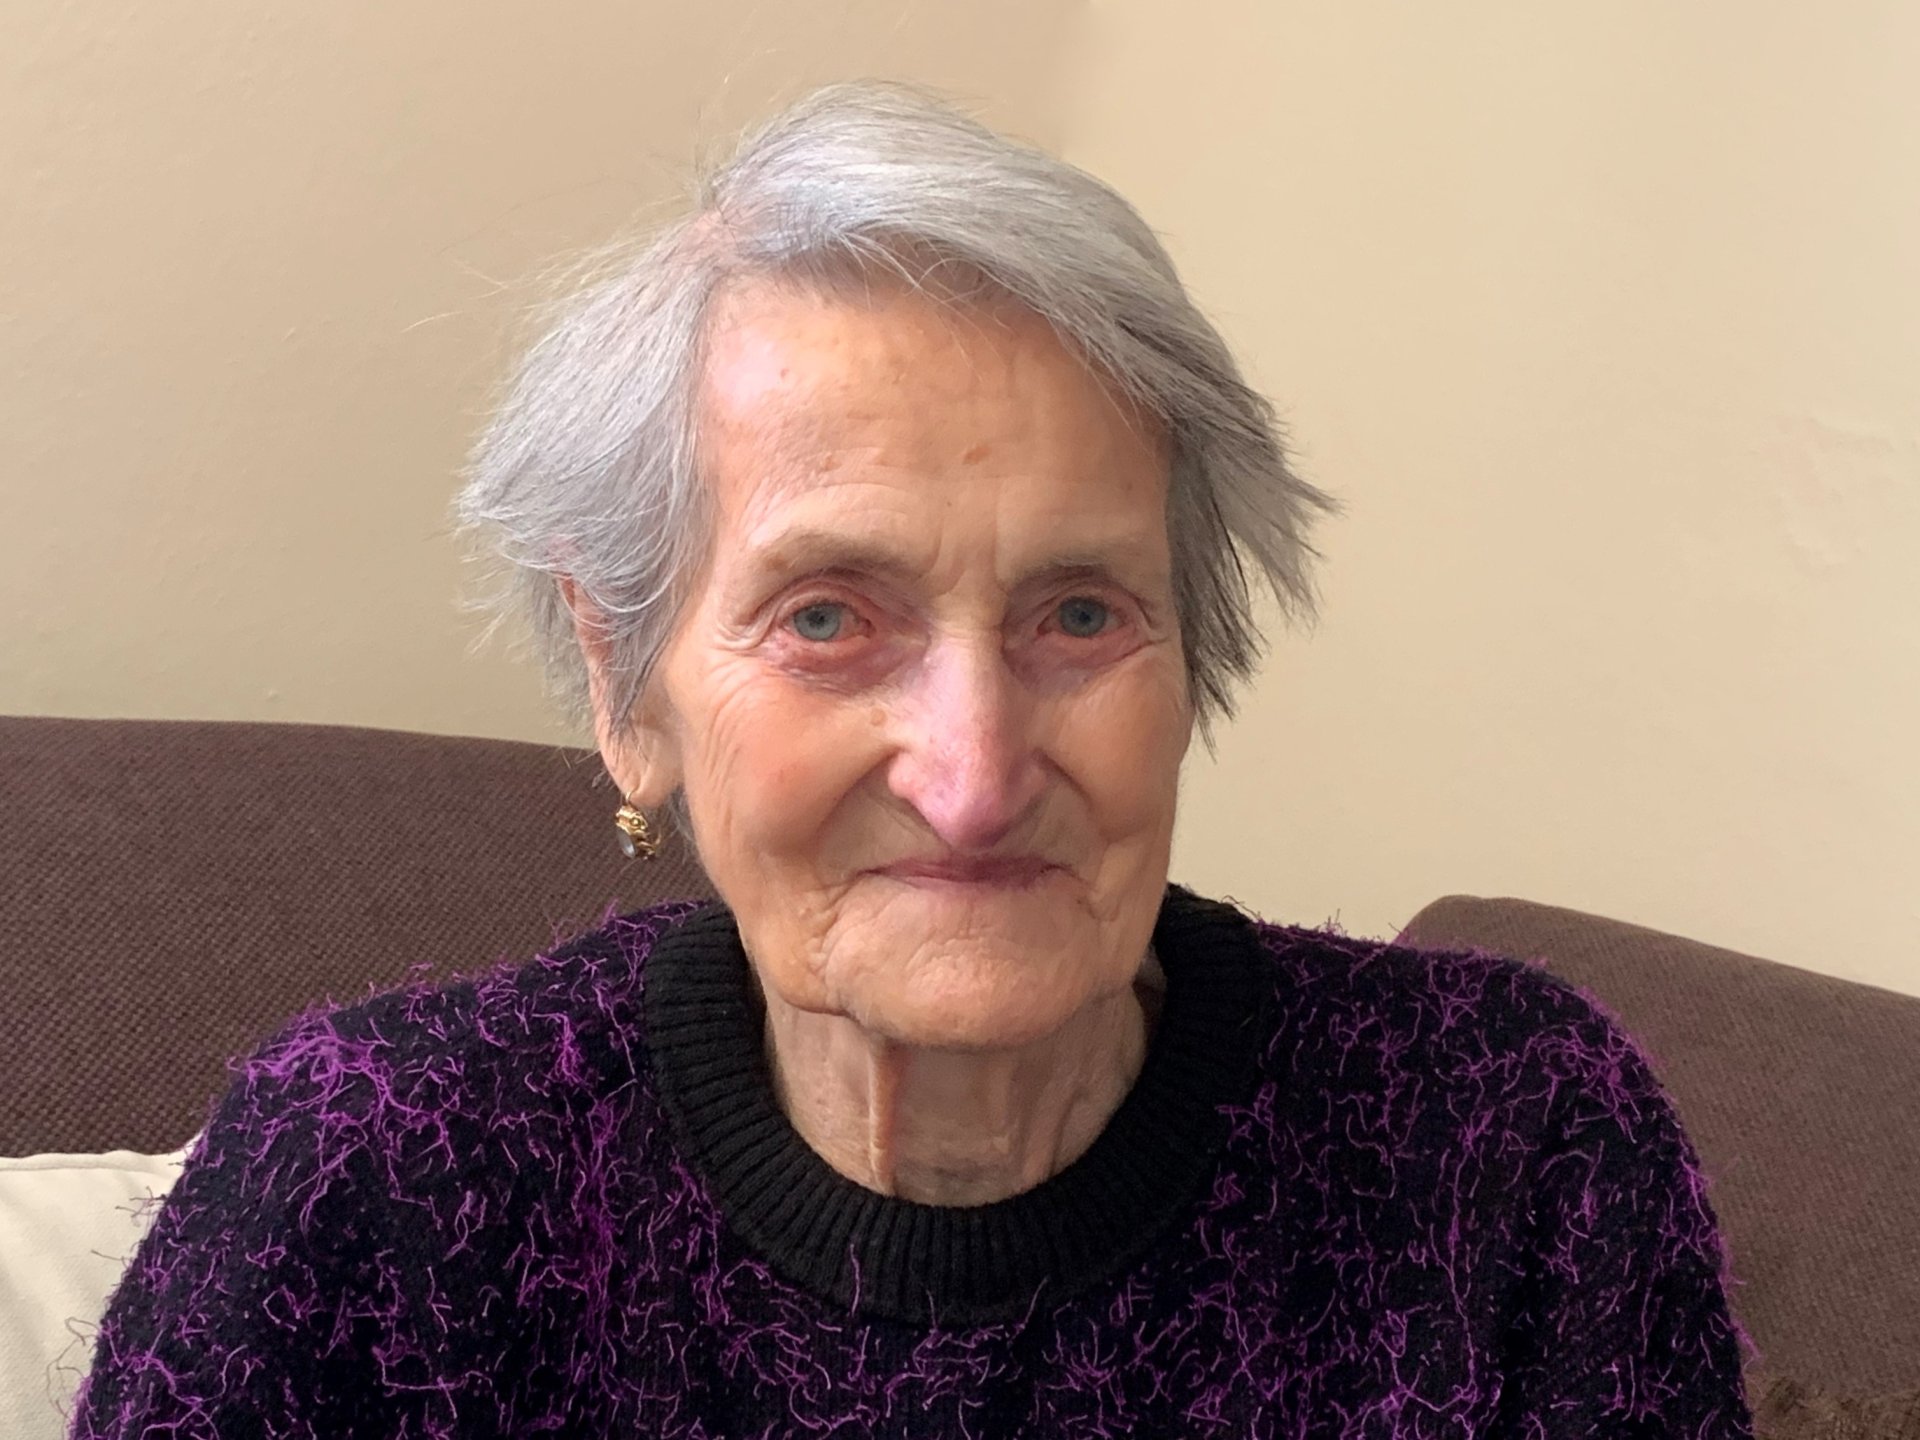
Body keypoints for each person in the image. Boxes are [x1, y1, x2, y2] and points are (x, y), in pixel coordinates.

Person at [72, 82, 1754, 1437]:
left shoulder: (1514, 1145)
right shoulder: (368, 1183)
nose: (974, 772)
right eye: (827, 618)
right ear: (624, 685)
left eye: (1079, 614)